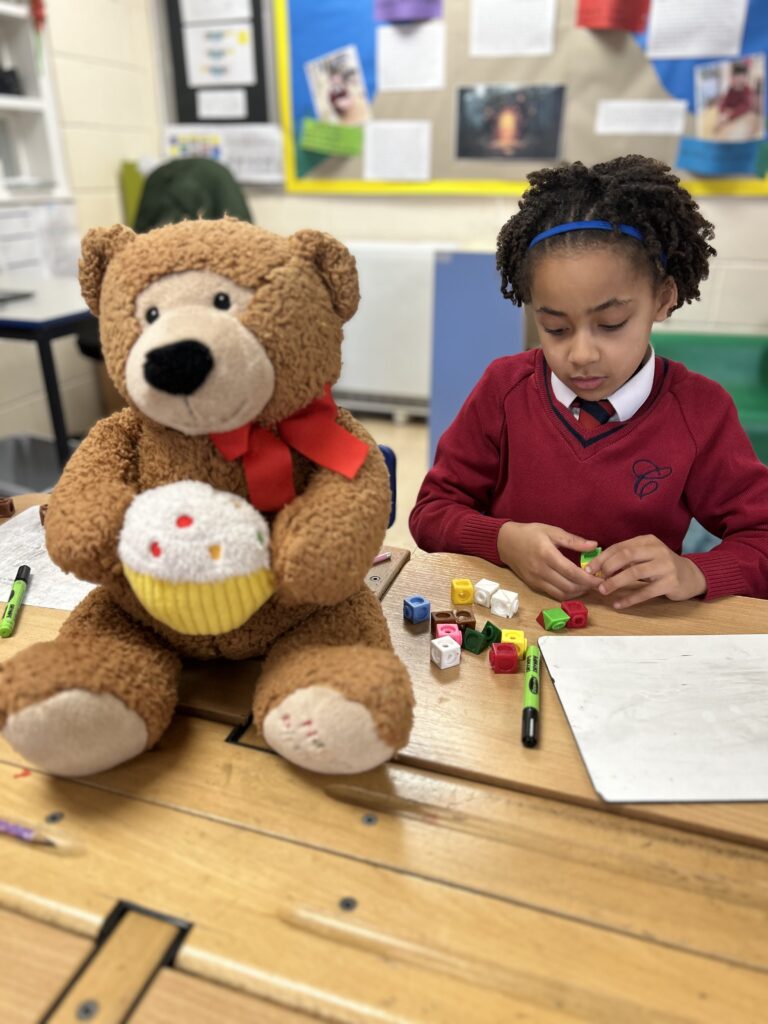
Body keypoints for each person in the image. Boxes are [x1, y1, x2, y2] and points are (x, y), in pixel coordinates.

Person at [409, 155, 768, 607]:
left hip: (636, 638)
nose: (580, 354)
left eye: (612, 323)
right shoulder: (504, 389)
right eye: (555, 328)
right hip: (513, 626)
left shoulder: (701, 411)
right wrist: (502, 540)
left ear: (663, 299)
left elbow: (761, 536)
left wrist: (694, 571)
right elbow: (430, 513)